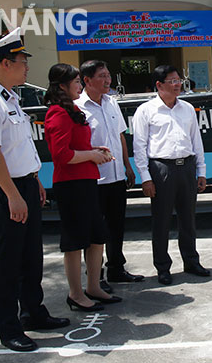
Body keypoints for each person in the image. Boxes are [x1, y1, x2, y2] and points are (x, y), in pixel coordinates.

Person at [0, 28, 69, 352]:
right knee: (8, 263)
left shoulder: (12, 98)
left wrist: (34, 180)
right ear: (5, 63)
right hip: (4, 190)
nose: (27, 67)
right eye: (22, 61)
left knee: (30, 258)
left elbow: (19, 149)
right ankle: (9, 328)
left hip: (23, 184)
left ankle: (33, 313)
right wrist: (13, 195)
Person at [44, 63, 122, 312]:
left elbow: (78, 147)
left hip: (88, 180)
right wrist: (90, 155)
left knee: (97, 236)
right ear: (62, 86)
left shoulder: (72, 111)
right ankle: (76, 294)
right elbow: (61, 155)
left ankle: (93, 286)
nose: (80, 85)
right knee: (75, 241)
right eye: (76, 82)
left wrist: (94, 153)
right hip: (71, 184)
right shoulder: (57, 113)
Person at [132, 65, 209, 285]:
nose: (178, 85)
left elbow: (196, 141)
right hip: (161, 169)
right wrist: (145, 177)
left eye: (179, 81)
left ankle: (191, 261)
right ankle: (163, 267)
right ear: (159, 85)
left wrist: (201, 170)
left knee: (188, 219)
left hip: (186, 166)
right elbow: (139, 146)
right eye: (172, 81)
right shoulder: (146, 111)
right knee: (162, 220)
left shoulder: (187, 108)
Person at [76, 60, 144, 292]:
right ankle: (97, 276)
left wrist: (127, 165)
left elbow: (120, 137)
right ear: (87, 80)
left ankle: (117, 268)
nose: (107, 81)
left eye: (108, 75)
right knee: (95, 230)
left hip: (116, 176)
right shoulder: (78, 108)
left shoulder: (111, 103)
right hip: (93, 180)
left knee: (116, 225)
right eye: (102, 76)